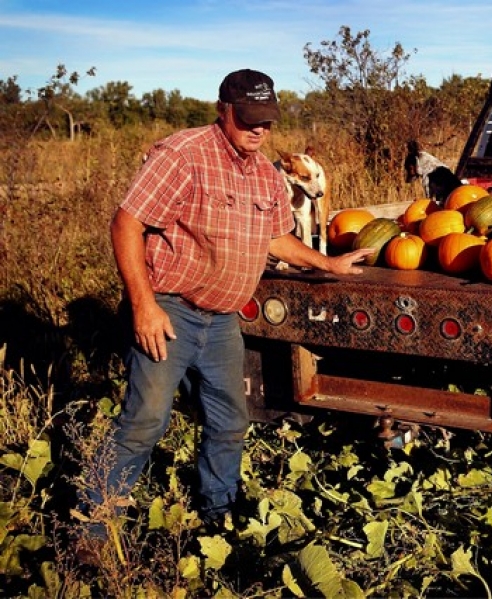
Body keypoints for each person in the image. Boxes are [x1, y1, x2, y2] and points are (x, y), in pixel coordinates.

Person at [77, 69, 373, 558]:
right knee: (146, 419)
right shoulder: (183, 155)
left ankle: (218, 516)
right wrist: (144, 305)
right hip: (171, 310)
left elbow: (277, 239)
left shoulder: (266, 176)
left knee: (230, 420)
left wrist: (328, 263)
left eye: (268, 122)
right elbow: (126, 222)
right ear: (223, 110)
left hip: (222, 322)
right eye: (249, 119)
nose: (259, 131)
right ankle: (93, 525)